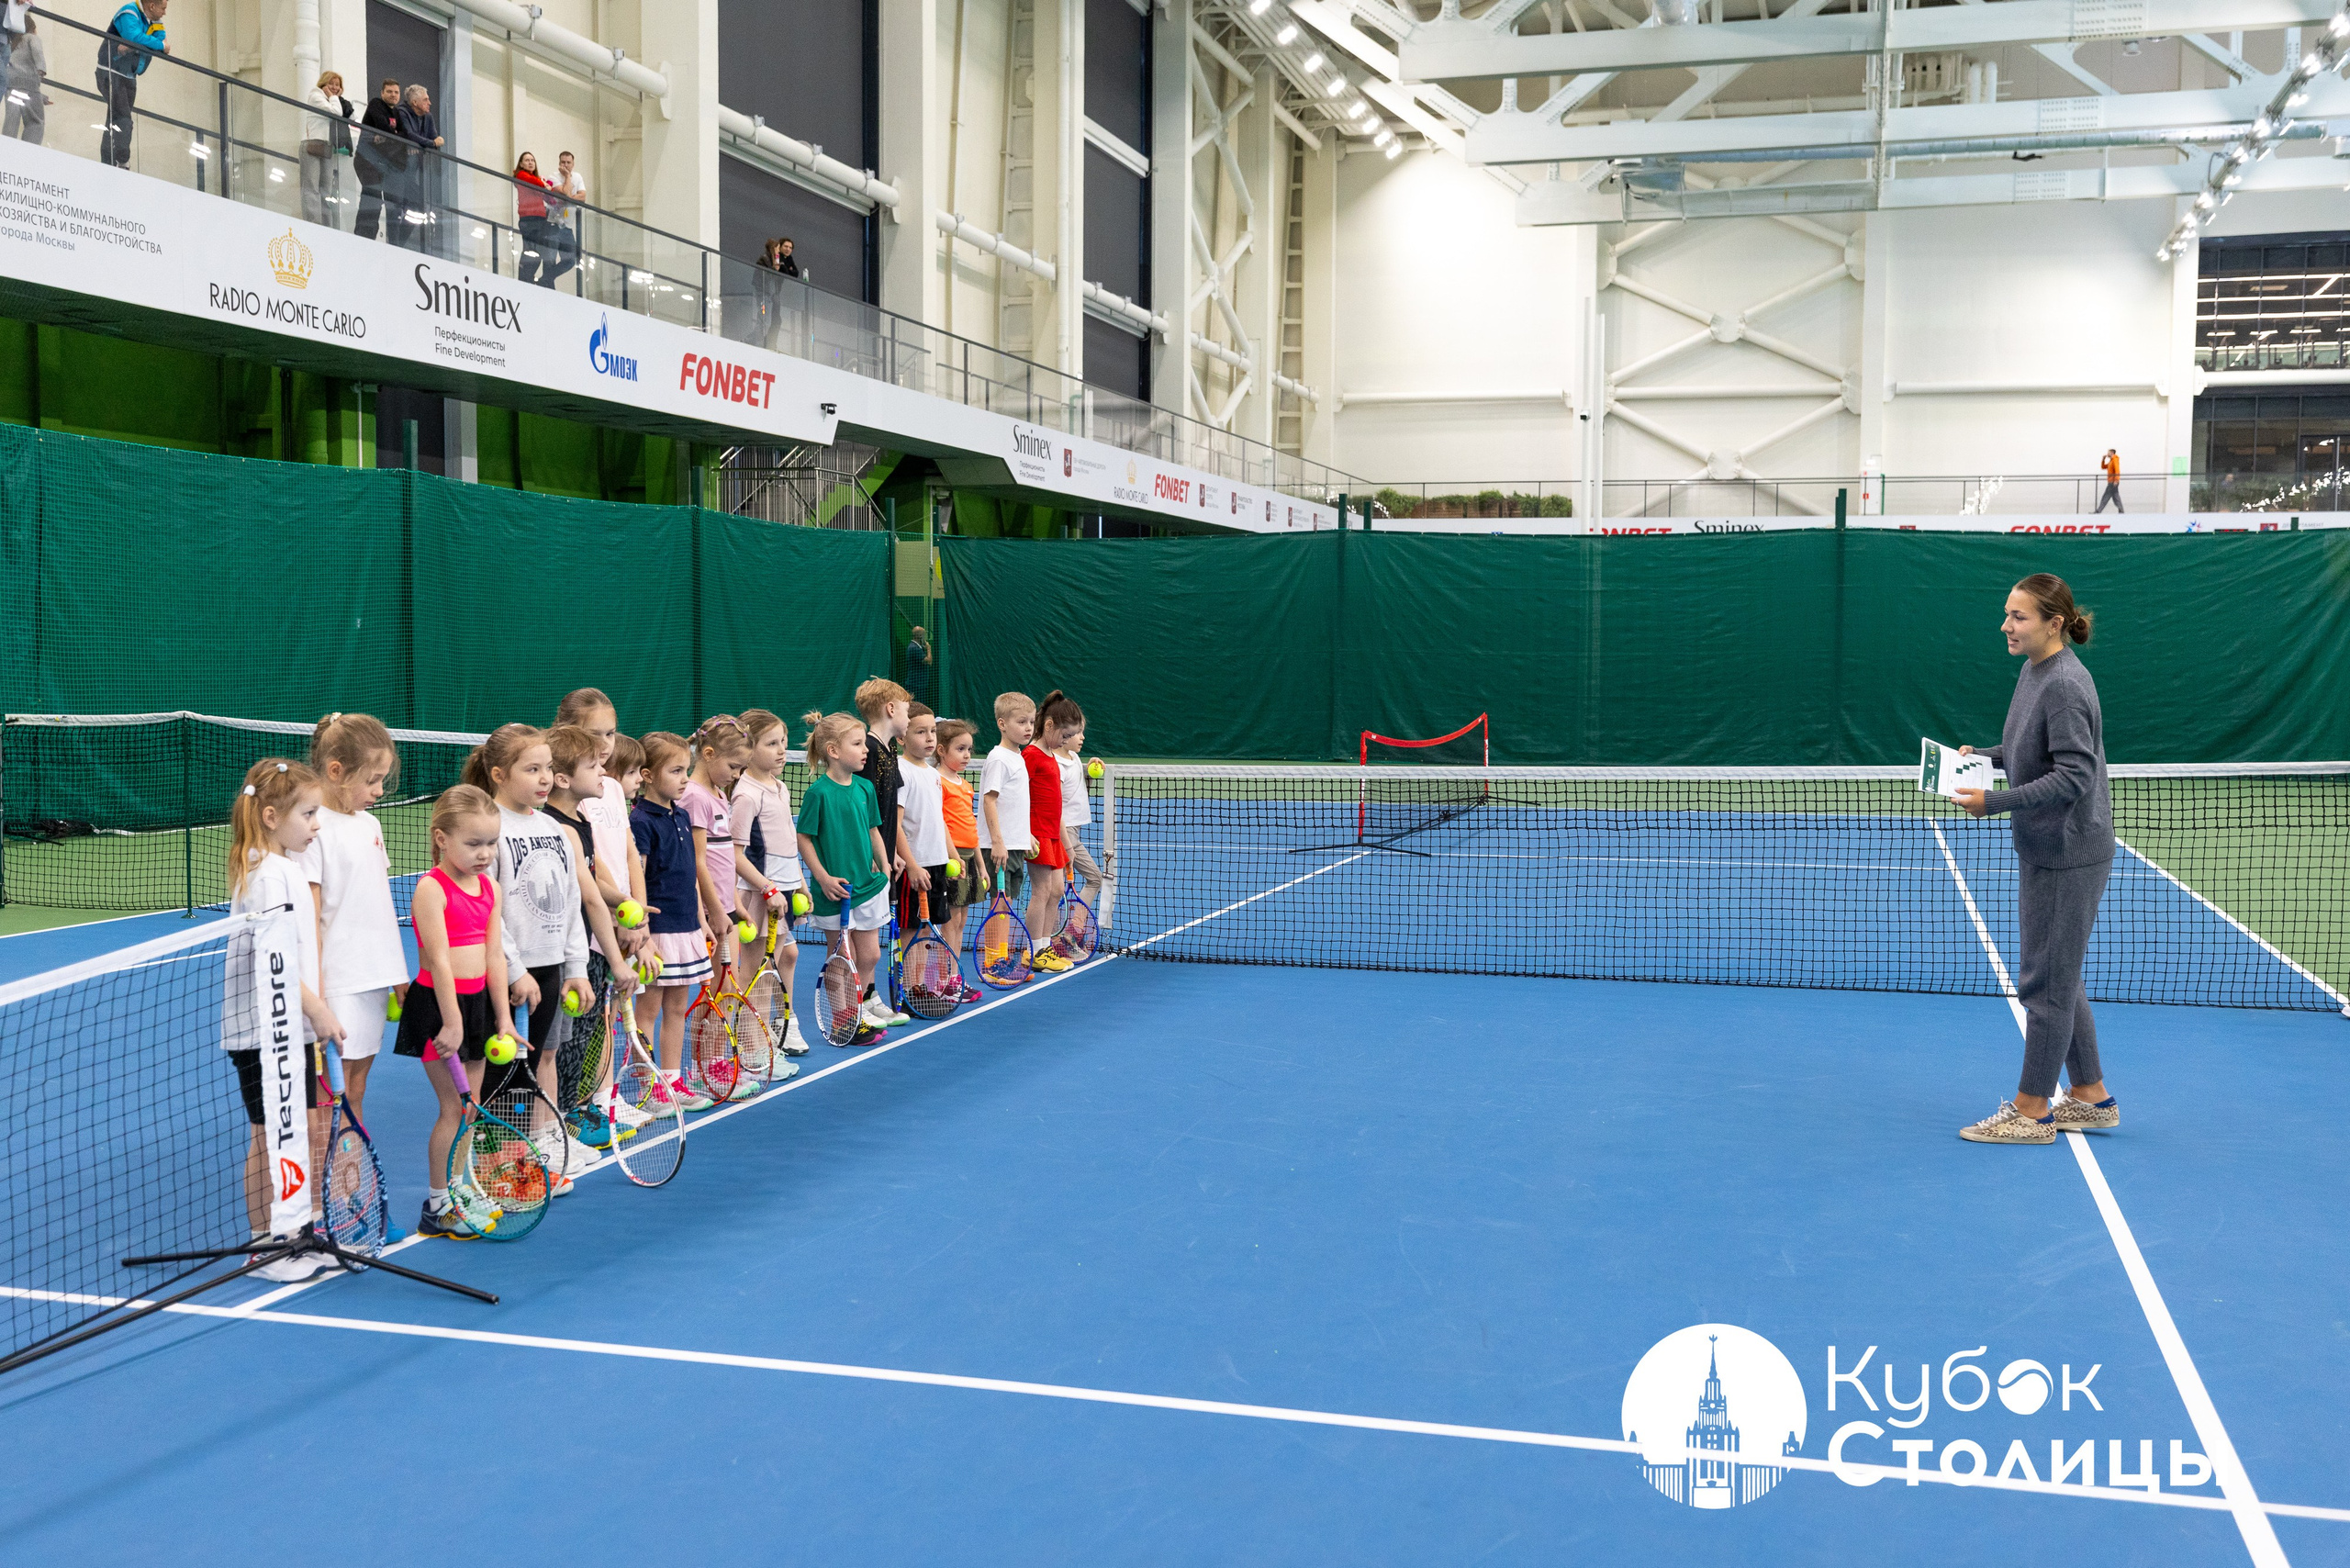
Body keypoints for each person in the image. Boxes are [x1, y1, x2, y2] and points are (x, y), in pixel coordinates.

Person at [1953, 573, 2118, 1146]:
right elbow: (2034, 751)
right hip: (2046, 846)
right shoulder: (2034, 671)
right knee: (2058, 976)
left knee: (2044, 984)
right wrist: (1985, 759)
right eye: (2007, 614)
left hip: (2070, 853)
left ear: (2054, 623)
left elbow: (2075, 775)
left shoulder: (2066, 685)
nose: (2006, 625)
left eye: (2018, 617)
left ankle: (2032, 1111)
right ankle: (2091, 1097)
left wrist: (1993, 801)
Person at [224, 758, 341, 1281]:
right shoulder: (265, 878)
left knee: (290, 1132)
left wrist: (313, 1010)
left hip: (290, 1030)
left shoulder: (287, 868)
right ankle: (264, 1243)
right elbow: (277, 966)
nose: (318, 823)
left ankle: (295, 1231)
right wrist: (318, 1010)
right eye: (309, 813)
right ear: (271, 816)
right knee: (267, 1134)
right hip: (259, 1034)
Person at [464, 724, 592, 1183]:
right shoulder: (488, 829)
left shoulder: (554, 829)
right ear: (498, 773)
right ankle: (496, 1168)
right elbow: (487, 912)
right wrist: (516, 971)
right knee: (504, 1076)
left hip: (552, 967)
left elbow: (571, 900)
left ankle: (529, 1155)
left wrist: (576, 967)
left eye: (548, 769)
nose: (544, 779)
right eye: (531, 769)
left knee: (537, 1063)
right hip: (509, 973)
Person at [396, 784, 520, 1238]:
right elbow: (438, 959)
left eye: (491, 843)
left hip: (480, 1006)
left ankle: (460, 1189)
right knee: (453, 1107)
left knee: (473, 1106)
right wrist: (451, 1020)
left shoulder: (490, 887)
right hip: (439, 1009)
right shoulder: (432, 888)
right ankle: (438, 1205)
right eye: (473, 844)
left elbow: (494, 957)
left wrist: (503, 1018)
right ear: (442, 838)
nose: (485, 853)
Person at [298, 713, 408, 1134]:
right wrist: (319, 996)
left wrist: (397, 974)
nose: (379, 791)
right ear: (335, 771)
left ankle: (346, 1167)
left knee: (357, 1086)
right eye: (372, 780)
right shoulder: (312, 829)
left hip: (373, 981)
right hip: (336, 982)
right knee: (329, 1092)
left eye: (383, 780)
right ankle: (321, 1183)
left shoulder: (371, 824)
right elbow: (310, 918)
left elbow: (379, 905)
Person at [541, 722, 640, 1150]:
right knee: (562, 1044)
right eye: (594, 765)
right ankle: (561, 1123)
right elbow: (591, 894)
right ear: (564, 779)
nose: (604, 771)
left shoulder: (580, 819)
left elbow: (598, 882)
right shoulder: (557, 826)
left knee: (578, 1037)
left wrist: (625, 905)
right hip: (566, 950)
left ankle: (569, 1118)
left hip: (585, 946)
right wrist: (619, 944)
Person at [632, 731, 723, 1111]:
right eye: (675, 770)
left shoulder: (682, 814)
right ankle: (646, 1088)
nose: (685, 778)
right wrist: (643, 935)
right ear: (648, 774)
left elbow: (690, 875)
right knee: (647, 1012)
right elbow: (638, 877)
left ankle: (672, 1082)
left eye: (686, 770)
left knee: (675, 1009)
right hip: (657, 933)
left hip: (687, 927)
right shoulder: (639, 821)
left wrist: (702, 919)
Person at [795, 711, 893, 1047]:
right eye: (857, 743)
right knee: (841, 957)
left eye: (864, 742)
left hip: (870, 885)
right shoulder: (818, 794)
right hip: (836, 892)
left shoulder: (865, 787)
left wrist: (885, 864)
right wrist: (822, 878)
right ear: (834, 751)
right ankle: (843, 1020)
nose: (865, 749)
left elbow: (873, 830)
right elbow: (804, 838)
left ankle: (861, 1008)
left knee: (870, 956)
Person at [730, 709, 811, 1057]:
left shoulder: (779, 787)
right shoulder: (746, 795)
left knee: (788, 955)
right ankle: (753, 1044)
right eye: (771, 743)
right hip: (761, 895)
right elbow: (734, 855)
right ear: (748, 748)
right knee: (756, 973)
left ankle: (783, 1022)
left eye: (783, 742)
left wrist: (801, 883)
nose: (781, 750)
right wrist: (768, 888)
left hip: (785, 891)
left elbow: (787, 842)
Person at [1023, 692, 1077, 971]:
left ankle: (1044, 947)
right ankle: (1033, 950)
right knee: (1041, 892)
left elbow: (1055, 804)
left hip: (1053, 834)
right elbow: (1018, 796)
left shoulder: (1050, 756)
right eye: (1064, 736)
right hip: (1037, 833)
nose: (1066, 742)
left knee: (1056, 891)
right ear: (1049, 725)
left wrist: (1066, 845)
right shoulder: (1031, 755)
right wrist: (1024, 833)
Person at [934, 719, 985, 1000]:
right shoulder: (938, 782)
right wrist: (955, 856)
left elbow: (971, 827)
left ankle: (955, 976)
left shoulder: (965, 785)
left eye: (969, 749)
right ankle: (946, 979)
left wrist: (979, 863)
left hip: (968, 857)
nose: (967, 755)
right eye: (960, 749)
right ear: (941, 750)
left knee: (962, 920)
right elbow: (940, 822)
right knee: (950, 921)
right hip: (950, 859)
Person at [978, 691, 1035, 924]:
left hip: (1015, 844)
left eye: (1031, 722)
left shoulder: (1017, 756)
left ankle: (999, 955)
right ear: (1002, 724)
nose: (1028, 727)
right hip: (999, 847)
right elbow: (989, 800)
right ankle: (994, 958)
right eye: (1021, 722)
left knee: (1006, 903)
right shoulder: (999, 758)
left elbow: (1014, 804)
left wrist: (1026, 835)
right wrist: (998, 842)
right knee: (1001, 904)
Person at [897, 705, 950, 944]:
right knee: (911, 932)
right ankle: (910, 983)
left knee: (928, 931)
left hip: (938, 864)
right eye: (920, 732)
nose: (929, 737)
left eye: (932, 731)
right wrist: (912, 866)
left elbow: (938, 819)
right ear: (901, 738)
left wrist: (953, 855)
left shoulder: (934, 774)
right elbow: (895, 826)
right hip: (915, 868)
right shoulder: (901, 771)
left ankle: (919, 982)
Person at [1051, 711, 1106, 941]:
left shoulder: (1073, 757)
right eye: (1077, 733)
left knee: (1055, 888)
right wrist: (1068, 844)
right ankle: (1074, 928)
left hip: (1073, 830)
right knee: (1094, 877)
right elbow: (1056, 803)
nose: (1082, 737)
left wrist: (1089, 769)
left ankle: (1055, 935)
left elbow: (1077, 787)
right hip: (1064, 832)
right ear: (1064, 733)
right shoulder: (1055, 763)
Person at [97, 0, 170, 169]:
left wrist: (152, 43)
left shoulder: (154, 21)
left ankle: (106, 164)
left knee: (113, 120)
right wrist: (156, 45)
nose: (165, 13)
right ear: (152, 6)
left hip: (129, 76)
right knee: (124, 120)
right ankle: (123, 162)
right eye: (163, 8)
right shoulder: (129, 13)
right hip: (110, 72)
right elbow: (134, 37)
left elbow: (162, 42)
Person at [301, 71, 358, 227]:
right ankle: (313, 222)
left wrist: (336, 98)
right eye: (331, 83)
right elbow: (335, 113)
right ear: (324, 83)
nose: (334, 87)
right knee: (312, 187)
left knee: (326, 190)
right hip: (312, 144)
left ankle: (327, 225)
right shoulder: (316, 94)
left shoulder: (336, 100)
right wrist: (334, 97)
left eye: (337, 85)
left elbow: (351, 117)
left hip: (327, 146)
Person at [390, 84, 443, 250]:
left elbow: (436, 140)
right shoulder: (402, 112)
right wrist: (429, 143)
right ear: (414, 102)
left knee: (418, 207)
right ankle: (393, 244)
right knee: (397, 205)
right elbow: (409, 134)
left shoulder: (428, 117)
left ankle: (400, 243)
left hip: (413, 171)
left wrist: (425, 143)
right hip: (397, 168)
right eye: (426, 99)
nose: (430, 103)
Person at [4, 15, 48, 146]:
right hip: (30, 85)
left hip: (11, 85)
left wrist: (42, 97)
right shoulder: (31, 38)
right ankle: (30, 148)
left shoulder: (11, 44)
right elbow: (38, 52)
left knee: (12, 117)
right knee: (35, 121)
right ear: (32, 27)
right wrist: (41, 70)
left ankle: (6, 145)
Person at [512, 151, 556, 286]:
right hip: (528, 219)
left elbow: (551, 199)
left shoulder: (536, 180)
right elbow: (536, 182)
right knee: (531, 251)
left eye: (532, 160)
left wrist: (545, 185)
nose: (531, 162)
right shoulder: (521, 175)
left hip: (540, 219)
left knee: (539, 253)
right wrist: (544, 184)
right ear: (521, 164)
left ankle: (529, 279)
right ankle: (524, 280)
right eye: (527, 160)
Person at [542, 150, 585, 283]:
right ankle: (547, 287)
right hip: (552, 224)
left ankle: (544, 280)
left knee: (571, 260)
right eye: (563, 162)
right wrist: (567, 177)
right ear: (559, 163)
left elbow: (583, 197)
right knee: (549, 260)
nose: (565, 165)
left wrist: (569, 197)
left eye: (568, 163)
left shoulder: (578, 177)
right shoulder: (553, 177)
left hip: (567, 227)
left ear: (573, 164)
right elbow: (565, 193)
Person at [905, 626, 933, 704]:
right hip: (915, 684)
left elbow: (929, 663)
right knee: (916, 706)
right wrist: (929, 648)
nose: (925, 637)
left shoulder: (919, 647)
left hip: (920, 684)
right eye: (924, 635)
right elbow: (929, 661)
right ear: (920, 636)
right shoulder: (914, 648)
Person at [2095, 448, 2123, 514]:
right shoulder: (2111, 461)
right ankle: (2121, 510)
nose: (2107, 454)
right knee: (2116, 497)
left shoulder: (2115, 460)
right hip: (2112, 482)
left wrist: (2116, 480)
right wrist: (2103, 459)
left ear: (2112, 453)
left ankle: (2099, 510)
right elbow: (2103, 467)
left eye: (2108, 452)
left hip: (2112, 482)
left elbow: (2117, 470)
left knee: (2106, 496)